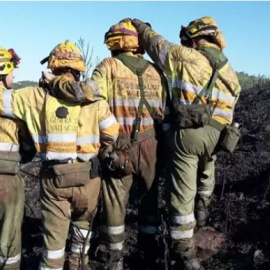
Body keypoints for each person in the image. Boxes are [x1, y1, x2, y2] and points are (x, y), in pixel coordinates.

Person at [46, 19, 168, 270]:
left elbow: (87, 94)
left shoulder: (108, 66)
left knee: (114, 203)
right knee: (149, 200)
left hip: (120, 146)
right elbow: (166, 108)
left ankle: (114, 261)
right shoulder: (156, 70)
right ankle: (149, 252)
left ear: (113, 43)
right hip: (153, 145)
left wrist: (54, 82)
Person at [131, 16, 241, 270]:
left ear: (196, 37)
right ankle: (202, 216)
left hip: (189, 134)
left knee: (181, 194)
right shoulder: (230, 72)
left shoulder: (188, 57)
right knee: (205, 177)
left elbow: (156, 45)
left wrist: (141, 27)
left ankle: (185, 254)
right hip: (218, 137)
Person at [0, 41, 120, 270]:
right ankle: (78, 264)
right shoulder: (95, 99)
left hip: (55, 178)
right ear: (78, 69)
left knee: (53, 243)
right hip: (89, 177)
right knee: (83, 228)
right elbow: (112, 133)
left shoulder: (33, 96)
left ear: (52, 67)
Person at [0, 47, 34, 270]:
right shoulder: (13, 103)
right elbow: (29, 146)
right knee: (9, 238)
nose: (15, 77)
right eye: (13, 72)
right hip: (6, 179)